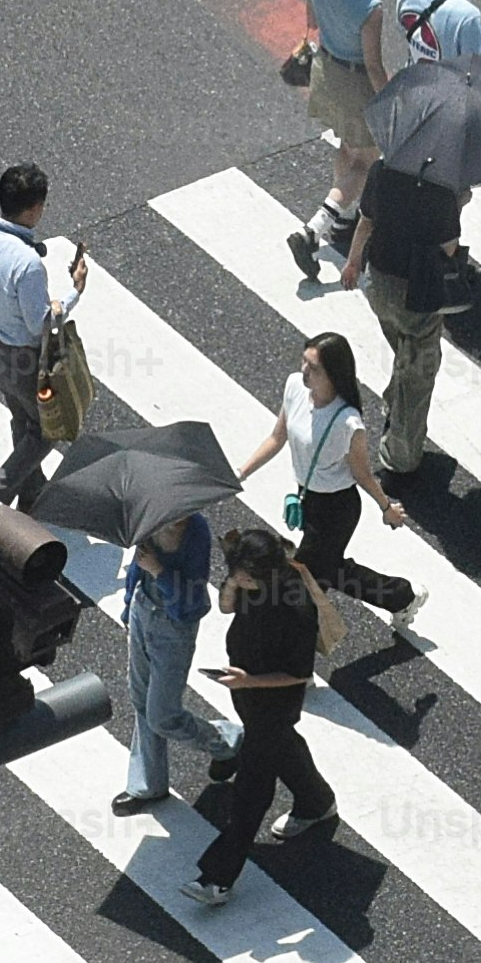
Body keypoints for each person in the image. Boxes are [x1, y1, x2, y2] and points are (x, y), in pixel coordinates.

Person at [186, 525, 340, 905]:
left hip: (273, 702)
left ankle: (218, 878)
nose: (240, 580)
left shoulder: (295, 606)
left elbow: (298, 674)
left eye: (246, 575)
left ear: (269, 571)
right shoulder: (247, 583)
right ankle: (316, 801)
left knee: (252, 790)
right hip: (246, 692)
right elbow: (225, 607)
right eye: (236, 571)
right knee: (284, 748)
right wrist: (234, 582)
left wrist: (251, 681)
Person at [235, 332, 415, 617]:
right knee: (331, 571)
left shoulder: (348, 422)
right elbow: (277, 437)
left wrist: (387, 508)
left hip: (336, 509)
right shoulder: (295, 387)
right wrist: (241, 472)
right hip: (308, 499)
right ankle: (401, 596)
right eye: (304, 361)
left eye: (314, 368)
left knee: (302, 581)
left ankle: (292, 636)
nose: (304, 371)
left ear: (333, 374)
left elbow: (363, 474)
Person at [0, 166, 84, 515]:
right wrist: (74, 292)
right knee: (46, 430)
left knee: (21, 419)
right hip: (22, 359)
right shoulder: (26, 264)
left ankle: (32, 491)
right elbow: (40, 322)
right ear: (33, 210)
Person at [337, 151, 466, 478]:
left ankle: (394, 399)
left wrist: (352, 263)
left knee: (402, 344)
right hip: (417, 292)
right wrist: (459, 203)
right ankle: (401, 458)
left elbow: (365, 223)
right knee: (420, 371)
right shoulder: (443, 188)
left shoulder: (383, 169)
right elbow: (448, 249)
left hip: (378, 283)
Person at [293, 0, 402, 269]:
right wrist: (389, 99)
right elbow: (372, 65)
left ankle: (341, 219)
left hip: (327, 73)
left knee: (347, 146)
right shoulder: (369, 8)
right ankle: (315, 229)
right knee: (367, 163)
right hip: (357, 84)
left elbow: (312, 22)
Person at [110, 506, 211, 815]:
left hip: (173, 628)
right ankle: (148, 784)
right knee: (140, 699)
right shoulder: (151, 520)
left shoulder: (197, 536)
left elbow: (191, 605)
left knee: (162, 715)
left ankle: (228, 742)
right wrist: (129, 607)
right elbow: (135, 572)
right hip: (144, 613)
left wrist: (160, 572)